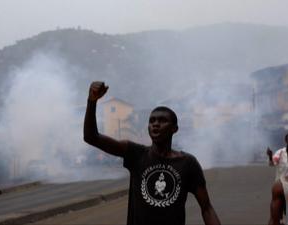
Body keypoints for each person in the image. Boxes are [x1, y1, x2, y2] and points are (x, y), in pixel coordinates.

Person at [83, 81, 221, 225]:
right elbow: (91, 137)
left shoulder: (188, 163)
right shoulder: (136, 154)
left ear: (175, 129)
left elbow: (206, 208)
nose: (155, 124)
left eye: (162, 120)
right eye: (152, 120)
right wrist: (91, 101)